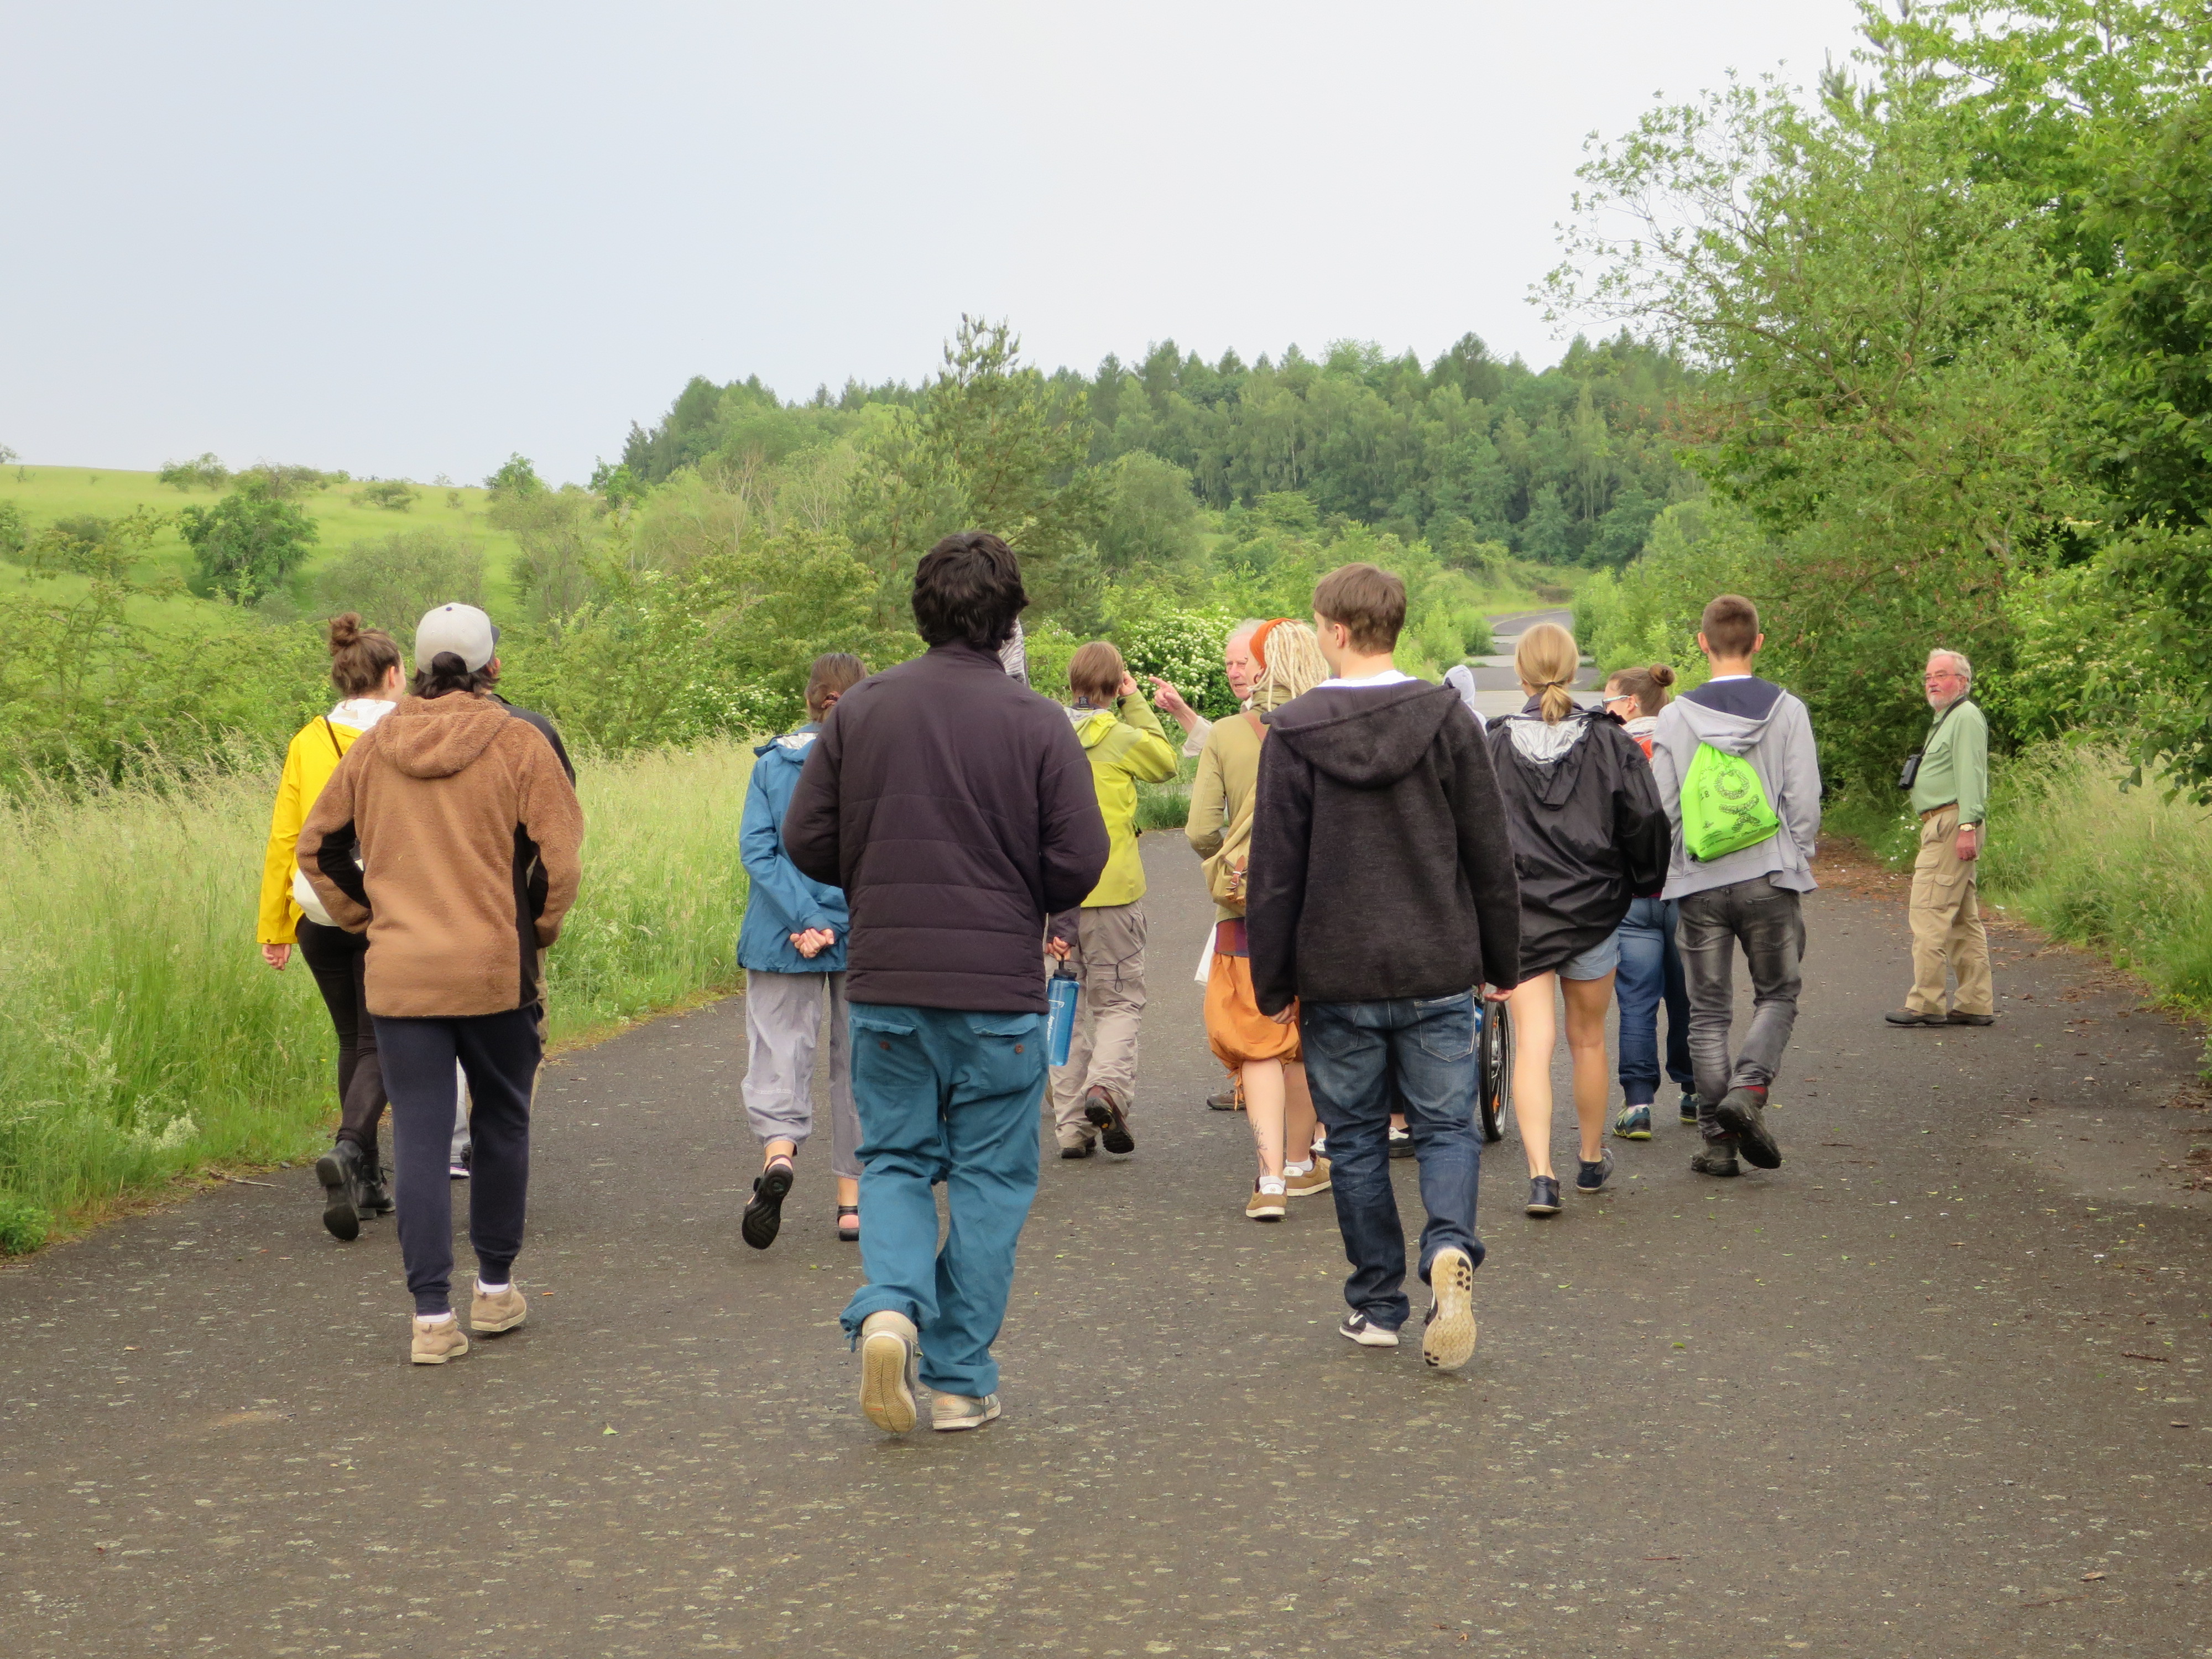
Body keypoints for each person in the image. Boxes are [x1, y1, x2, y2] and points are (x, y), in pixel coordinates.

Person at [784, 531, 1108, 1436]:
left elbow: (807, 837)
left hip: (888, 981)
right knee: (990, 1182)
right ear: (1009, 620)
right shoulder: (1037, 722)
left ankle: (891, 1307)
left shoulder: (862, 710)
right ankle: (961, 1380)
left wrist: (875, 870)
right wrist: (1019, 886)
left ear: (920, 610)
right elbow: (1080, 860)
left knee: (893, 1160)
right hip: (998, 993)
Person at [1247, 564, 1520, 1370]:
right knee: (1445, 1127)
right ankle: (1449, 1246)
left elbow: (1275, 873)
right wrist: (1500, 959)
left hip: (1337, 972)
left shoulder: (1293, 731)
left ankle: (1376, 1304)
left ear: (1335, 631)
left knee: (1357, 1139)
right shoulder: (1448, 718)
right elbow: (1489, 852)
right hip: (1436, 962)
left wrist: (1273, 981)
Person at [298, 602, 585, 1365]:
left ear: (418, 668)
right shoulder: (520, 742)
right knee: (502, 1125)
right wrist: (536, 928)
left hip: (402, 976)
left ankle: (431, 1319)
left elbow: (317, 848)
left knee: (420, 1140)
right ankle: (494, 1291)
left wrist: (370, 920)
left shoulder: (376, 745)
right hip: (495, 974)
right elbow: (560, 861)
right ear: (494, 666)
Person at [1489, 626, 1666, 1214]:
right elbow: (1645, 819)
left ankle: (1541, 1176)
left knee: (1533, 1045)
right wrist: (1643, 881)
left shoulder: (1493, 744)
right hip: (1594, 909)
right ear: (1572, 671)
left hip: (1522, 917)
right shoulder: (1610, 741)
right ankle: (1590, 1160)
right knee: (1588, 1039)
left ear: (1520, 674)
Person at [1648, 595, 1822, 1178]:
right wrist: (1795, 856)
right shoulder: (1787, 711)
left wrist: (1679, 868)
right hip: (1769, 877)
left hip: (1699, 883)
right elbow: (1803, 798)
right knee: (1777, 994)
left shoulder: (1675, 717)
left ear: (1702, 643)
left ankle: (1719, 1146)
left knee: (1706, 1015)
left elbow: (1664, 807)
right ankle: (1749, 1089)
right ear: (1758, 642)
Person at [257, 613, 405, 1242]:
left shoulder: (307, 738)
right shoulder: (407, 731)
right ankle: (350, 1153)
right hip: (384, 908)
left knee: (352, 1040)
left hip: (315, 907)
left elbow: (285, 837)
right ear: (392, 674)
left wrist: (275, 925)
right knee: (384, 1043)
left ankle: (367, 1182)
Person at [1187, 618, 1333, 1219]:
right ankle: (1302, 1163)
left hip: (1247, 909)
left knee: (1258, 1040)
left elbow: (1200, 829)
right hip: (1322, 908)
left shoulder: (1228, 732)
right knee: (1305, 1040)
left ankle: (1270, 1180)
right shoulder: (1330, 724)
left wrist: (1226, 857)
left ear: (1260, 664)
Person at [737, 653, 869, 1249]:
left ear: (810, 698)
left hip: (779, 932)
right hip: (860, 932)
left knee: (778, 1052)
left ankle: (779, 1157)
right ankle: (851, 1205)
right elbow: (877, 850)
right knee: (859, 1064)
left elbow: (758, 850)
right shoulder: (874, 763)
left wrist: (806, 919)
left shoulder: (771, 763)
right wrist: (833, 920)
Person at [1045, 642, 1177, 1159]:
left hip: (1054, 898)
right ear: (1115, 682)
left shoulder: (1044, 736)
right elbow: (1165, 762)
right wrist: (1135, 700)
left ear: (1072, 682)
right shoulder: (1120, 738)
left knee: (1064, 1009)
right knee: (1118, 1002)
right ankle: (1106, 1088)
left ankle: (1071, 1131)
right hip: (1113, 892)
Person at [1601, 665, 1697, 1139]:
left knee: (1637, 1001)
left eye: (1608, 701)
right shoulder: (1688, 742)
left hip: (1633, 893)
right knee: (1689, 997)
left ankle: (1638, 1105)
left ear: (1631, 703)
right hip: (1685, 887)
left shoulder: (1611, 749)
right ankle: (1695, 1092)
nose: (1604, 710)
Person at [1887, 648, 1994, 1028]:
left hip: (1951, 823)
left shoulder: (1964, 717)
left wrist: (1967, 827)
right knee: (1963, 920)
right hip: (1947, 822)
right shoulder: (1948, 718)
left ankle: (1926, 1002)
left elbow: (1971, 773)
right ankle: (1975, 1003)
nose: (1932, 682)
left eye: (1942, 675)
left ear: (1962, 681)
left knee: (1929, 913)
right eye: (1928, 677)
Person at [1149, 618, 1261, 759]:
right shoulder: (1249, 708)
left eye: (1242, 664)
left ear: (1265, 664)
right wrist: (1180, 710)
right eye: (1229, 664)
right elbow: (1220, 746)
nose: (1233, 674)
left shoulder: (1275, 711)